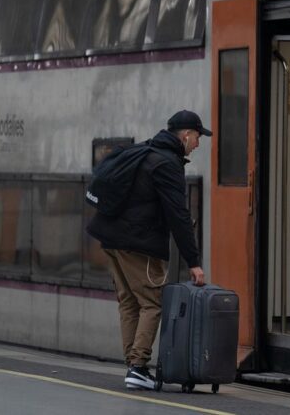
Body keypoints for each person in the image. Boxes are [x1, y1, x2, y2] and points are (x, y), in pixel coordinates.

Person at [87, 110, 211, 390]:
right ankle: (139, 366)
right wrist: (194, 261)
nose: (198, 144)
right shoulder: (168, 163)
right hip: (137, 244)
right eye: (198, 137)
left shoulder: (146, 150)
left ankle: (133, 366)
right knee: (152, 302)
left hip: (111, 238)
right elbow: (177, 214)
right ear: (187, 135)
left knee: (130, 302)